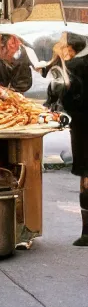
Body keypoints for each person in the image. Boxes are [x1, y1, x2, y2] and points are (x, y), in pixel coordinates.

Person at [59, 33, 88, 247]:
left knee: (86, 177)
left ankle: (87, 232)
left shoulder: (75, 66)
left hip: (83, 126)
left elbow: (65, 97)